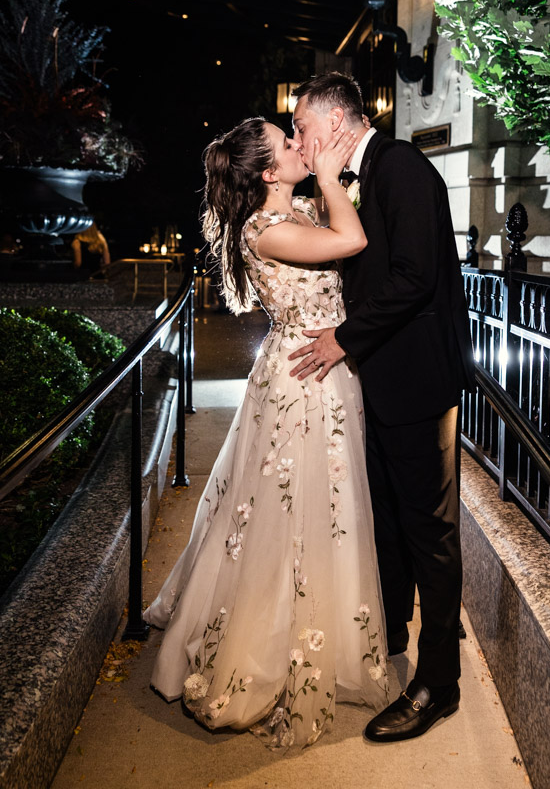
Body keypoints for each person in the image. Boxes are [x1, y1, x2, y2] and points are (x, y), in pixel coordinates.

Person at [143, 117, 389, 750]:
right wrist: (334, 176)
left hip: (327, 371)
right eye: (289, 143)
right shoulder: (269, 228)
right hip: (302, 382)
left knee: (327, 510)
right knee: (291, 514)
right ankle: (262, 648)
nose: (299, 145)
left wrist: (331, 176)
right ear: (269, 173)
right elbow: (353, 239)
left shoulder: (300, 208)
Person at [288, 72, 475, 744]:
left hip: (413, 379)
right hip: (376, 376)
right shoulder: (354, 175)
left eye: (304, 129)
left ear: (337, 123)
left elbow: (414, 278)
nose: (300, 144)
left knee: (427, 531)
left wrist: (342, 338)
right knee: (387, 521)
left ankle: (439, 685)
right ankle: (391, 638)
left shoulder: (401, 169)